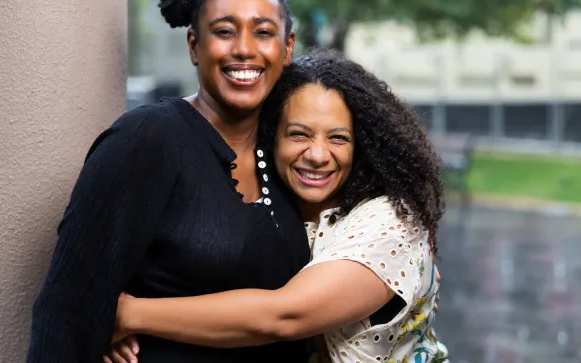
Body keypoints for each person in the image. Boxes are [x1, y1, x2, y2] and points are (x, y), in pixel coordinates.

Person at [26, 0, 312, 362]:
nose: (244, 49)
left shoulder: (290, 152)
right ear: (194, 45)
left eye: (263, 32)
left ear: (287, 47)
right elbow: (67, 311)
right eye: (224, 31)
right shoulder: (147, 139)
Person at [106, 49, 449, 363]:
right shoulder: (277, 208)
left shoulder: (392, 222)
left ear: (362, 146)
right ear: (271, 137)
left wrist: (124, 316)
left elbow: (285, 316)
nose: (317, 155)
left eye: (338, 138)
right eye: (299, 134)